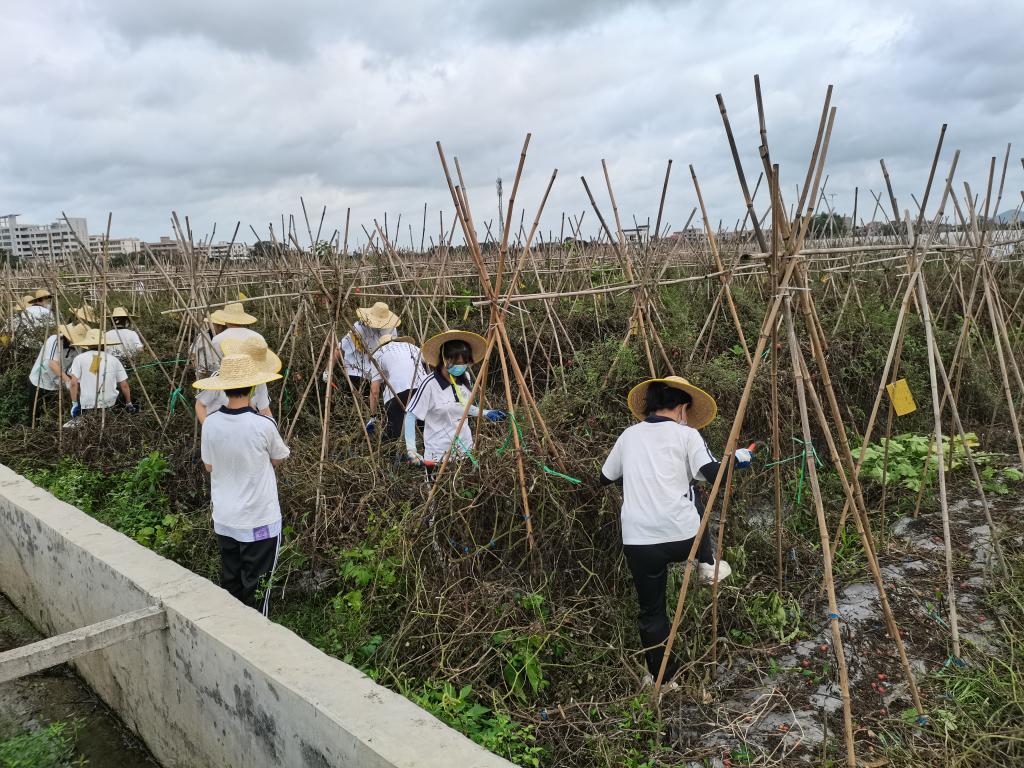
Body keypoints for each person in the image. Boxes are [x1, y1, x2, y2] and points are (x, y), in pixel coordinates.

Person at [600, 376, 753, 687]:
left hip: (640, 543)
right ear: (682, 408)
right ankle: (705, 564)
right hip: (685, 540)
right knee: (694, 495)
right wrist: (738, 458)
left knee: (651, 612)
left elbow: (605, 478)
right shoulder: (687, 435)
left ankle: (662, 680)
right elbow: (713, 474)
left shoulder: (628, 436)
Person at [195, 353, 290, 615]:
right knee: (258, 589)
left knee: (231, 584)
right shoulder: (263, 425)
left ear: (223, 388)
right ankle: (257, 635)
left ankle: (230, 629)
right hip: (259, 521)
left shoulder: (210, 423)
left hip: (225, 519)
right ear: (252, 387)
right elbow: (278, 457)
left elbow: (209, 466)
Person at [404, 330, 506, 465]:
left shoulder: (465, 378)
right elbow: (411, 415)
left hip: (465, 451)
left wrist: (486, 413)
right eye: (457, 362)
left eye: (464, 363)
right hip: (438, 455)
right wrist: (411, 450)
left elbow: (464, 406)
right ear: (444, 359)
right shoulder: (429, 384)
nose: (461, 367)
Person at [195, 336, 280, 423]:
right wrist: (208, 427)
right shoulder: (221, 378)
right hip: (218, 426)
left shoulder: (260, 382)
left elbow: (265, 411)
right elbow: (200, 405)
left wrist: (272, 427)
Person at [366, 334, 427, 440]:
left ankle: (394, 445)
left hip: (397, 392)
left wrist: (373, 416)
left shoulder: (378, 354)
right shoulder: (411, 347)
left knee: (394, 434)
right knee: (427, 430)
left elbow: (374, 390)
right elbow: (430, 361)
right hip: (423, 389)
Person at [328, 302, 399, 392]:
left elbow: (392, 351)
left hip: (378, 374)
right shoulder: (359, 328)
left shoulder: (391, 329)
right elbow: (340, 348)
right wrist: (328, 371)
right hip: (357, 370)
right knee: (354, 391)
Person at [67, 328, 137, 416]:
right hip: (110, 402)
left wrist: (74, 403)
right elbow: (124, 385)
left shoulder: (79, 358)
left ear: (88, 344)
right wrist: (128, 403)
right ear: (104, 344)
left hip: (88, 403)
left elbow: (73, 383)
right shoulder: (113, 359)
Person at [26, 323, 86, 420]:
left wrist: (76, 385)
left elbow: (74, 369)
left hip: (56, 384)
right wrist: (68, 381)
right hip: (39, 380)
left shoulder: (78, 348)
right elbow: (52, 364)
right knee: (35, 414)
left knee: (51, 414)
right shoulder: (55, 340)